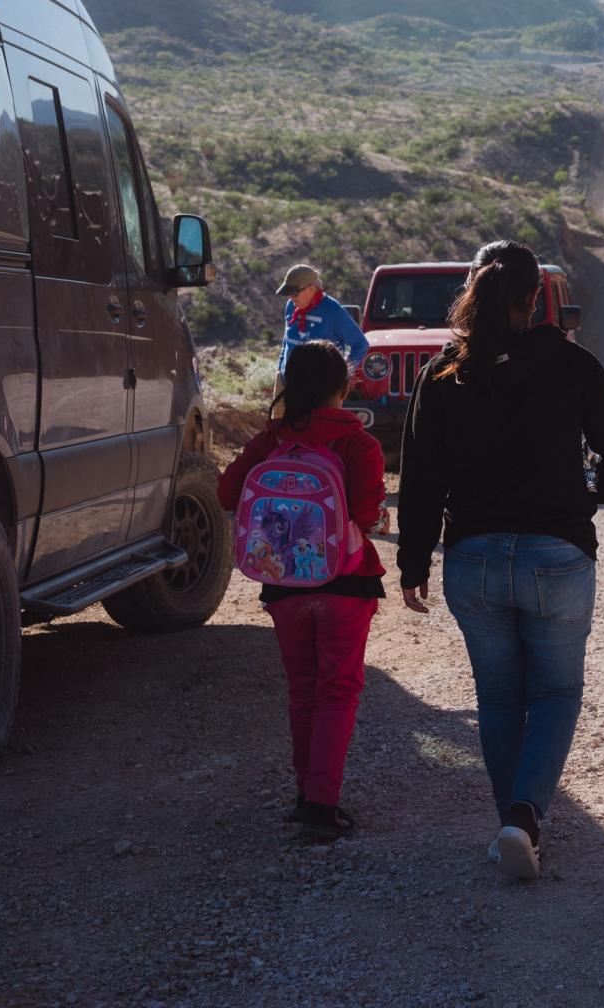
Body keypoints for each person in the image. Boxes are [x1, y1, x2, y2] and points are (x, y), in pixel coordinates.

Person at [397, 240, 604, 881]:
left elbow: (420, 476)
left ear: (474, 291)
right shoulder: (572, 363)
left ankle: (513, 823)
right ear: (537, 296)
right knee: (557, 691)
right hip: (555, 555)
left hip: (472, 560)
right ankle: (524, 821)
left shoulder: (445, 370)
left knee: (500, 700)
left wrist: (414, 562)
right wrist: (597, 495)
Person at [217, 340, 388, 842]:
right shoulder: (359, 444)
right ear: (345, 385)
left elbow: (228, 493)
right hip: (346, 585)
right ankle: (321, 803)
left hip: (284, 586)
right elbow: (364, 514)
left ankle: (304, 793)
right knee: (338, 689)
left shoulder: (271, 441)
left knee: (303, 690)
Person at [273, 263, 370, 410]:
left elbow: (360, 344)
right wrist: (279, 371)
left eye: (294, 293)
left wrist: (341, 376)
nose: (290, 297)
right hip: (289, 389)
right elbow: (287, 342)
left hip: (319, 396)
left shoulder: (333, 311)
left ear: (311, 288)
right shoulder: (291, 306)